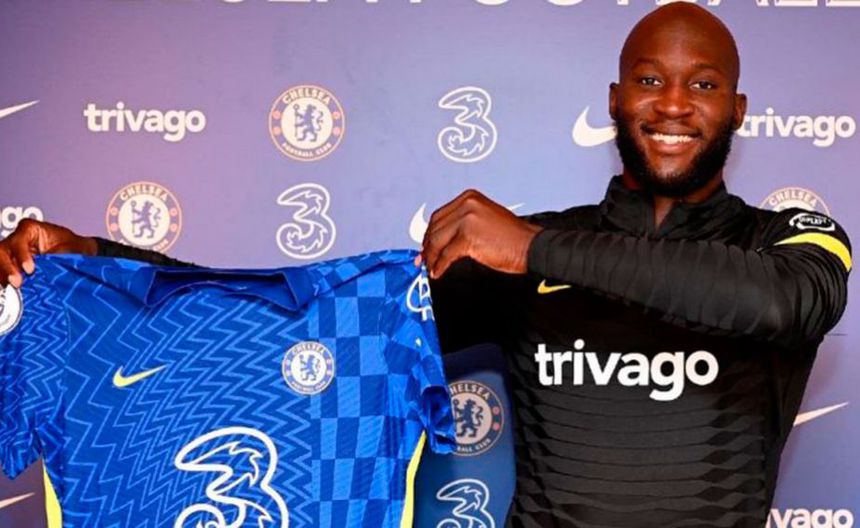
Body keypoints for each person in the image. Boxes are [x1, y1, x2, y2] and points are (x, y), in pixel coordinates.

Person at [0, 4, 851, 527]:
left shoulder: (785, 240)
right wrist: (100, 259)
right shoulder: (518, 253)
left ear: (738, 108)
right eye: (650, 80)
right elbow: (312, 321)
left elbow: (785, 305)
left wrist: (537, 248)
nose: (673, 104)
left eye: (703, 85)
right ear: (615, 100)